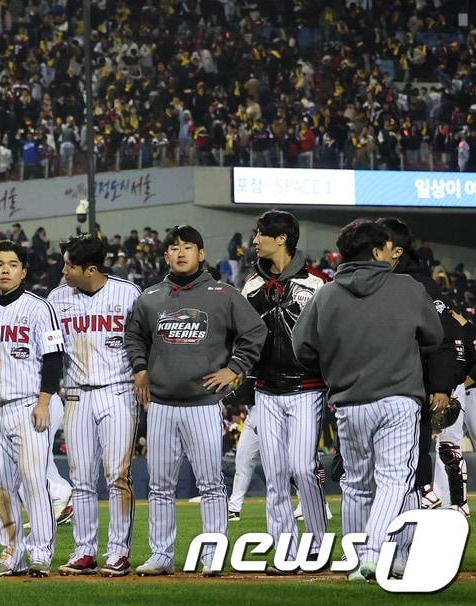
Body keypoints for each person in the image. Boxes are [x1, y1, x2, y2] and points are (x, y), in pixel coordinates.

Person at [293, 219, 445, 582]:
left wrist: (336, 362)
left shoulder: (325, 294)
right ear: (377, 251)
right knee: (395, 479)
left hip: (349, 401)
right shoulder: (406, 287)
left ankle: (357, 559)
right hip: (398, 398)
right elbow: (434, 336)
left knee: (356, 483)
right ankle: (374, 554)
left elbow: (302, 350)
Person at [124, 225, 266, 577]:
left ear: (201, 254)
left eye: (188, 247)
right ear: (166, 255)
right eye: (174, 248)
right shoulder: (151, 296)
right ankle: (161, 554)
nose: (181, 252)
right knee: (159, 485)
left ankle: (212, 554)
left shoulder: (223, 293)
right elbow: (134, 336)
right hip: (160, 404)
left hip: (203, 404)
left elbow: (254, 332)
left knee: (211, 484)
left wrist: (234, 368)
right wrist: (140, 369)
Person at [0, 241, 63, 578]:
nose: (5, 269)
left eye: (12, 264)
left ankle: (40, 553)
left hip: (26, 404)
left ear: (22, 271)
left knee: (35, 482)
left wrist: (44, 402)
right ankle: (11, 553)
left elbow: (53, 358)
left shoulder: (38, 307)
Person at [240, 210, 331, 571]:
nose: (254, 240)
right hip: (266, 390)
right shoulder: (250, 287)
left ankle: (319, 545)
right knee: (276, 473)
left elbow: (328, 338)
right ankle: (285, 552)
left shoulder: (318, 284)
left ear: (282, 239)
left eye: (260, 234)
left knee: (303, 468)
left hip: (308, 387)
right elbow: (245, 340)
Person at [48, 235, 141, 576]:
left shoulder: (128, 293)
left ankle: (118, 551)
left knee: (117, 475)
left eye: (70, 265)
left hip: (118, 390)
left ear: (90, 269)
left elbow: (142, 342)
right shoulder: (57, 298)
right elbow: (50, 351)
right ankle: (84, 550)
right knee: (81, 478)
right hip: (75, 393)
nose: (64, 270)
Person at [375, 218, 465, 514]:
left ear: (397, 251)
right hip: (381, 387)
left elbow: (445, 339)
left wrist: (441, 386)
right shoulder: (373, 279)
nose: (372, 246)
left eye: (380, 241)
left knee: (414, 462)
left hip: (417, 387)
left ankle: (413, 533)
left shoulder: (420, 285)